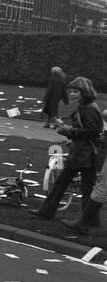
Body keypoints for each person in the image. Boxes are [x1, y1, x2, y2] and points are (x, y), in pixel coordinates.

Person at [30, 77, 104, 230]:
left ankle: (82, 220)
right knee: (72, 185)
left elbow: (93, 132)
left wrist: (68, 131)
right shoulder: (86, 106)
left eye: (76, 91)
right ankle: (87, 220)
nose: (72, 94)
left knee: (81, 187)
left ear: (85, 92)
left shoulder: (89, 108)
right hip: (81, 153)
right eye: (71, 91)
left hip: (85, 154)